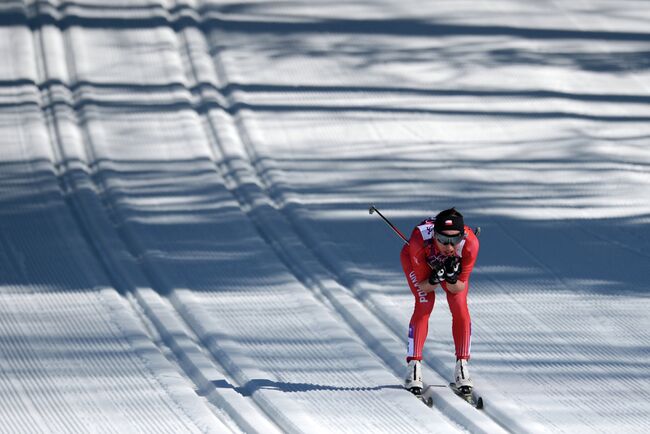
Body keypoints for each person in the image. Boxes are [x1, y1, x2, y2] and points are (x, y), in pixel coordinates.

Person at [400, 207, 479, 395]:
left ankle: (462, 365)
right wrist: (436, 278)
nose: (450, 247)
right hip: (418, 262)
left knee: (459, 306)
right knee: (425, 303)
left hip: (442, 269)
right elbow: (425, 286)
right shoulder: (419, 240)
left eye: (455, 240)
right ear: (434, 235)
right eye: (443, 240)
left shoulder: (470, 245)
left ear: (462, 236)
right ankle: (414, 366)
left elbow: (457, 288)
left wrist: (451, 278)